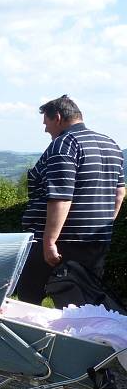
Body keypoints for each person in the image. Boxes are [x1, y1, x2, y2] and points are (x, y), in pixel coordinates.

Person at [17, 95, 125, 305]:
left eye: (46, 123)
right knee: (84, 305)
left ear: (57, 117)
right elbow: (120, 193)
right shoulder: (111, 144)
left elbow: (61, 196)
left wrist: (49, 242)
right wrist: (103, 224)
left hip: (59, 243)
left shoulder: (65, 144)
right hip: (96, 241)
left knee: (28, 302)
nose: (45, 130)